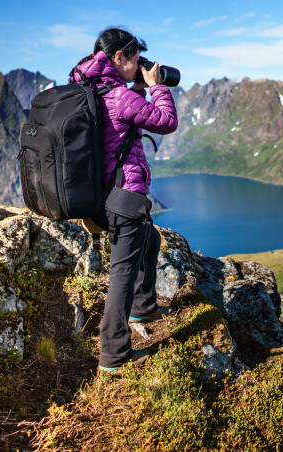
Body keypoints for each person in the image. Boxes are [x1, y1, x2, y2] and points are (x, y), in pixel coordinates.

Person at [69, 27, 178, 371]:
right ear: (118, 57)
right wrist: (157, 87)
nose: (139, 64)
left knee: (149, 238)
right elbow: (165, 121)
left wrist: (137, 88)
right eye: (135, 59)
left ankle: (143, 306)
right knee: (121, 275)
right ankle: (114, 355)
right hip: (125, 195)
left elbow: (115, 119)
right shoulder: (118, 96)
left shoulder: (94, 89)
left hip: (105, 193)